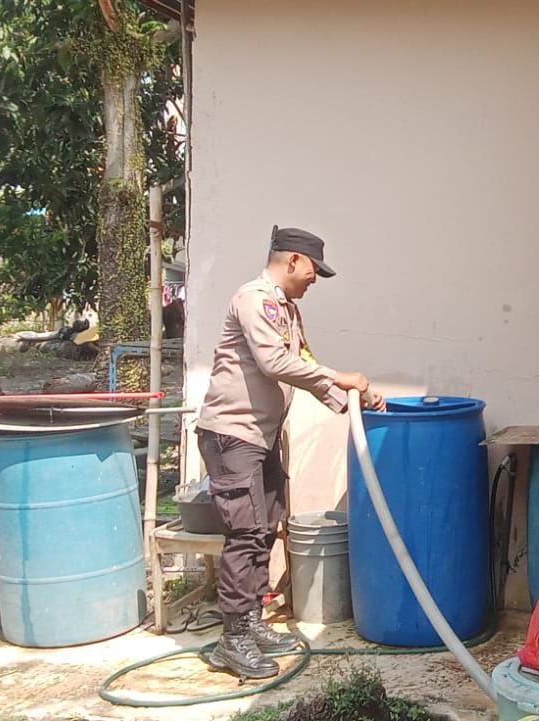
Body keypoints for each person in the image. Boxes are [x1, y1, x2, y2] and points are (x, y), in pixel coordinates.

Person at [195, 225, 386, 679]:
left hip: (260, 436)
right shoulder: (253, 299)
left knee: (264, 529)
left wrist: (351, 401)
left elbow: (303, 365)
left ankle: (251, 624)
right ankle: (232, 641)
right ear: (293, 260)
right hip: (233, 436)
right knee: (244, 534)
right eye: (314, 269)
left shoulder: (286, 310)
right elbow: (275, 363)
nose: (315, 279)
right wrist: (341, 377)